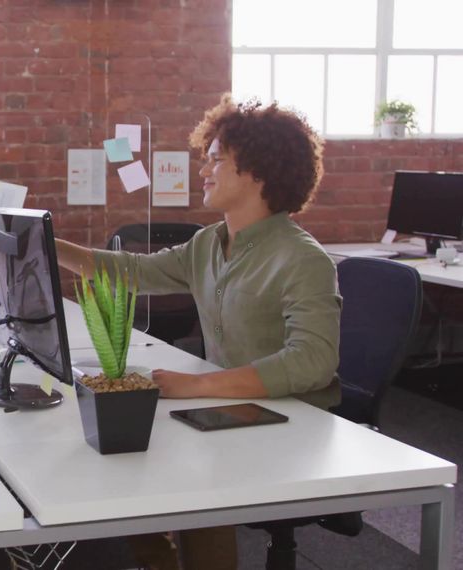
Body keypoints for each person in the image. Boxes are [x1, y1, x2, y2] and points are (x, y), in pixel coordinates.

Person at [55, 96, 342, 569]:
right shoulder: (211, 242)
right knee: (124, 444)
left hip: (288, 423)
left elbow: (313, 361)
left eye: (215, 160)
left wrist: (198, 386)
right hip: (229, 405)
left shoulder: (302, 259)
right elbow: (131, 272)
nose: (203, 170)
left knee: (161, 461)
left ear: (257, 172)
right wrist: (48, 243)